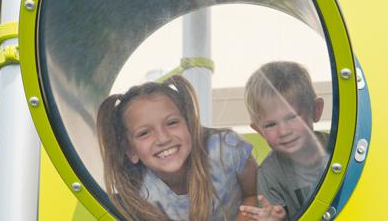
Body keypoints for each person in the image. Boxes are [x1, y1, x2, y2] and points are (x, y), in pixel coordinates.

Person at [97, 75, 258, 221]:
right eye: (144, 133)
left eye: (172, 123)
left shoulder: (225, 149)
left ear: (190, 124)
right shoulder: (141, 192)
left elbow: (256, 192)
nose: (163, 138)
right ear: (131, 151)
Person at [240, 61, 329, 220]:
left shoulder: (341, 148)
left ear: (316, 110)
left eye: (292, 117)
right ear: (259, 130)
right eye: (270, 124)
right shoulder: (269, 174)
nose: (284, 131)